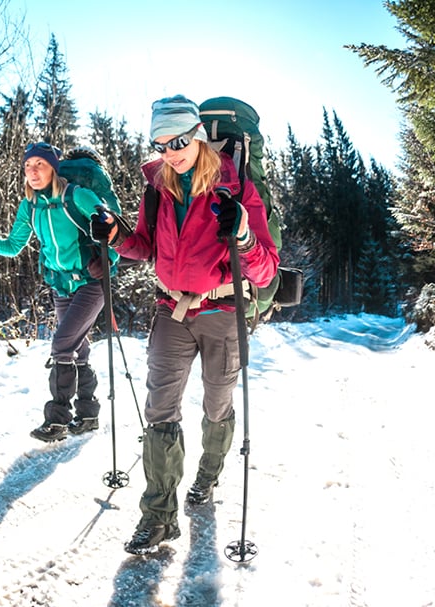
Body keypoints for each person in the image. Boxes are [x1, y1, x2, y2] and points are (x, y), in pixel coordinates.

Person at [91, 95, 279, 555]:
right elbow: (146, 246)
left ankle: (209, 474)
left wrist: (244, 235)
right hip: (170, 310)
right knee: (160, 412)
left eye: (178, 140)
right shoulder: (159, 185)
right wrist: (116, 236)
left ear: (197, 134)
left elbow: (266, 268)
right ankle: (157, 516)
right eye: (160, 143)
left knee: (217, 405)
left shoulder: (234, 188)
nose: (170, 151)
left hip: (222, 312)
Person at [0, 142, 121, 442]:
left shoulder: (77, 196)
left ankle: (57, 421)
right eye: (28, 166)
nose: (32, 171)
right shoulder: (29, 206)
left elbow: (113, 230)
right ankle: (88, 415)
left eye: (40, 164)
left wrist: (107, 259)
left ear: (54, 168)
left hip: (91, 283)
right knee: (78, 348)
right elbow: (12, 246)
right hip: (60, 284)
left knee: (61, 345)